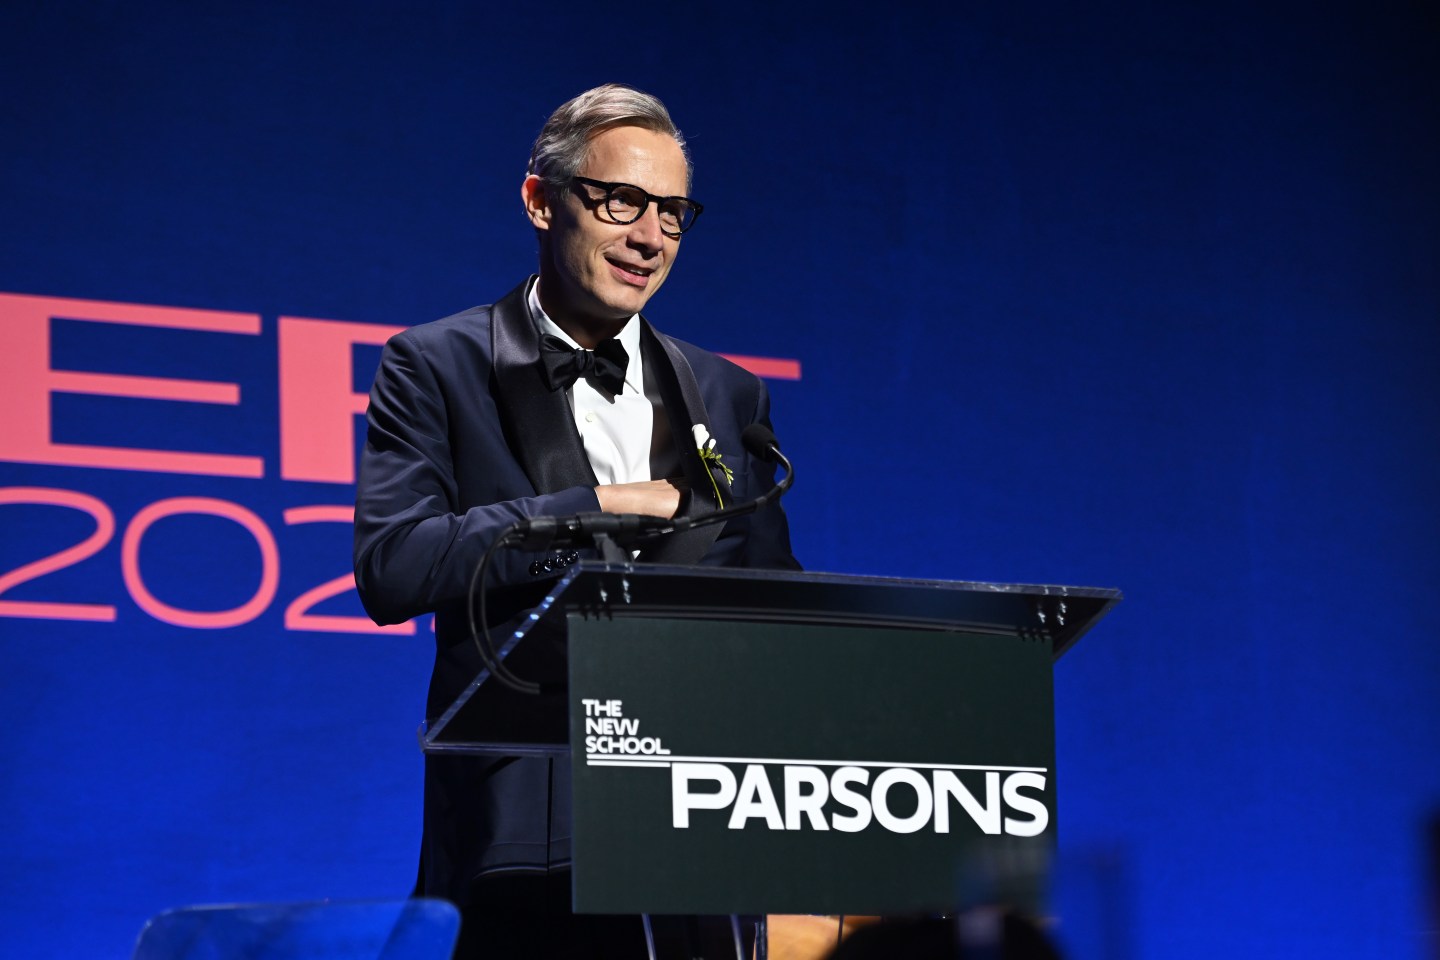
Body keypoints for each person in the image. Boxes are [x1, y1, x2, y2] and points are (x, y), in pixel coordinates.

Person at [353, 83, 799, 958]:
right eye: (621, 201)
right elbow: (393, 565)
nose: (650, 237)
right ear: (539, 200)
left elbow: (773, 608)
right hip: (524, 836)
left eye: (672, 213)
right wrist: (594, 509)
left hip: (702, 833)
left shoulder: (729, 394)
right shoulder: (438, 365)